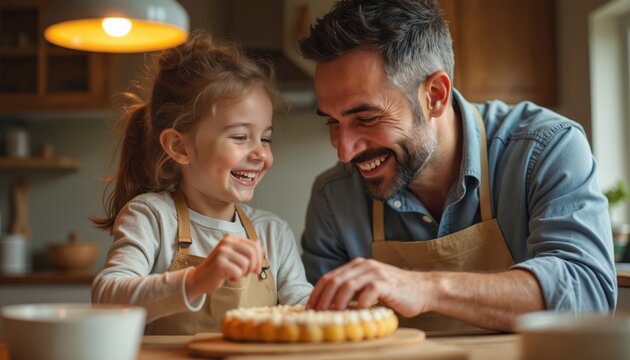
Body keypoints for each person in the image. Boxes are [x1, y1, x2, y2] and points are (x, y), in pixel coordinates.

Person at [298, 0, 617, 332]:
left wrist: (425, 288)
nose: (344, 152)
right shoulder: (333, 197)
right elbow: (320, 327)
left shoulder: (545, 148)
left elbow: (587, 294)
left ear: (435, 95)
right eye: (332, 123)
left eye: (366, 118)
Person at [91, 31, 312, 335]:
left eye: (266, 138)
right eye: (240, 137)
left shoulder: (273, 234)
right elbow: (106, 299)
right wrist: (196, 280)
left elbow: (305, 310)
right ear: (180, 147)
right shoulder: (151, 217)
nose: (261, 153)